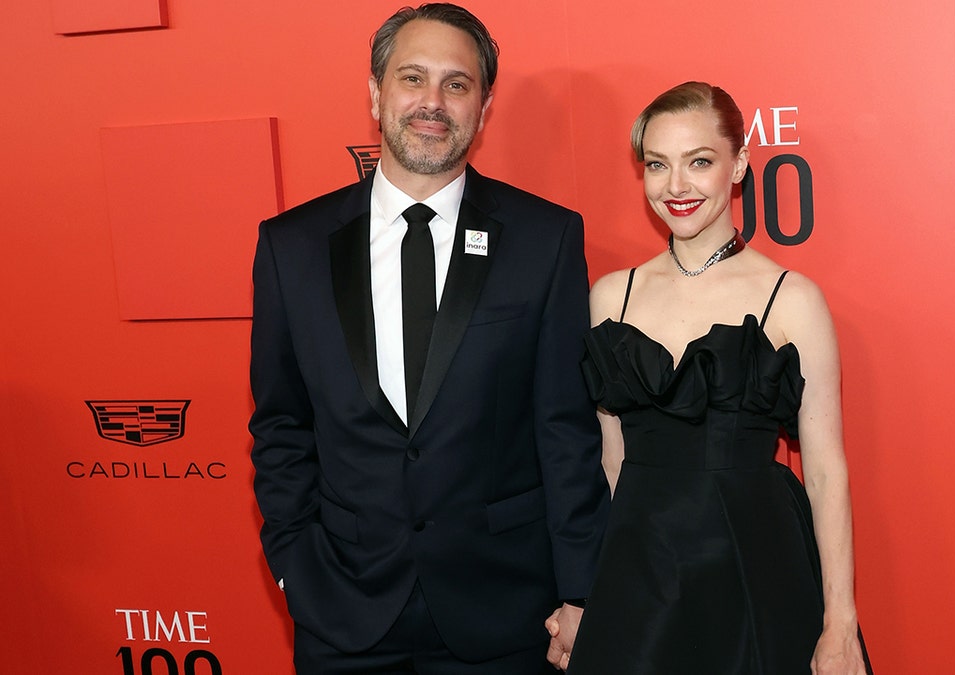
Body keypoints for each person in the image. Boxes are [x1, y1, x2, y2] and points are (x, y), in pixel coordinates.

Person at [248, 4, 609, 672]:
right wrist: (294, 565)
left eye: (457, 83)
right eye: (412, 78)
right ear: (376, 93)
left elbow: (565, 432)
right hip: (342, 611)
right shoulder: (290, 247)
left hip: (504, 614)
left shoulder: (545, 239)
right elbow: (281, 425)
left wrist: (581, 589)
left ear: (484, 104)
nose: (432, 103)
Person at [563, 82, 872, 674]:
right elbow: (609, 464)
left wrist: (839, 623)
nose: (676, 186)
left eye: (698, 162)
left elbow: (826, 471)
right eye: (658, 165)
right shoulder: (611, 297)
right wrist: (583, 592)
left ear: (740, 165)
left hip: (755, 566)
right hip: (638, 577)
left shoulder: (793, 299)